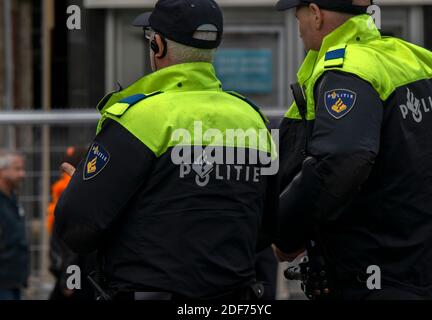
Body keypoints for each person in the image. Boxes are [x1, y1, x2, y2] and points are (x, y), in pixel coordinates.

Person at [55, 0, 277, 300]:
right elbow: (266, 225)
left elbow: (77, 229)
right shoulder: (253, 120)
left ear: (157, 45)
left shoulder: (138, 118)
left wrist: (81, 190)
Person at [274, 0, 432, 300]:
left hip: (366, 275)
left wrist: (287, 232)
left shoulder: (347, 70)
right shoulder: (420, 59)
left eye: (298, 15)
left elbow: (340, 160)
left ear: (316, 14)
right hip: (418, 267)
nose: (299, 28)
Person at [47, 146, 96, 300]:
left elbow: (72, 244)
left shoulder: (68, 191)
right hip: (86, 274)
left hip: (76, 276)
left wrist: (69, 280)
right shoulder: (90, 188)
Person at [0, 150, 28, 300]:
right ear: (2, 170)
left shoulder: (12, 199)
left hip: (13, 281)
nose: (22, 174)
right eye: (17, 169)